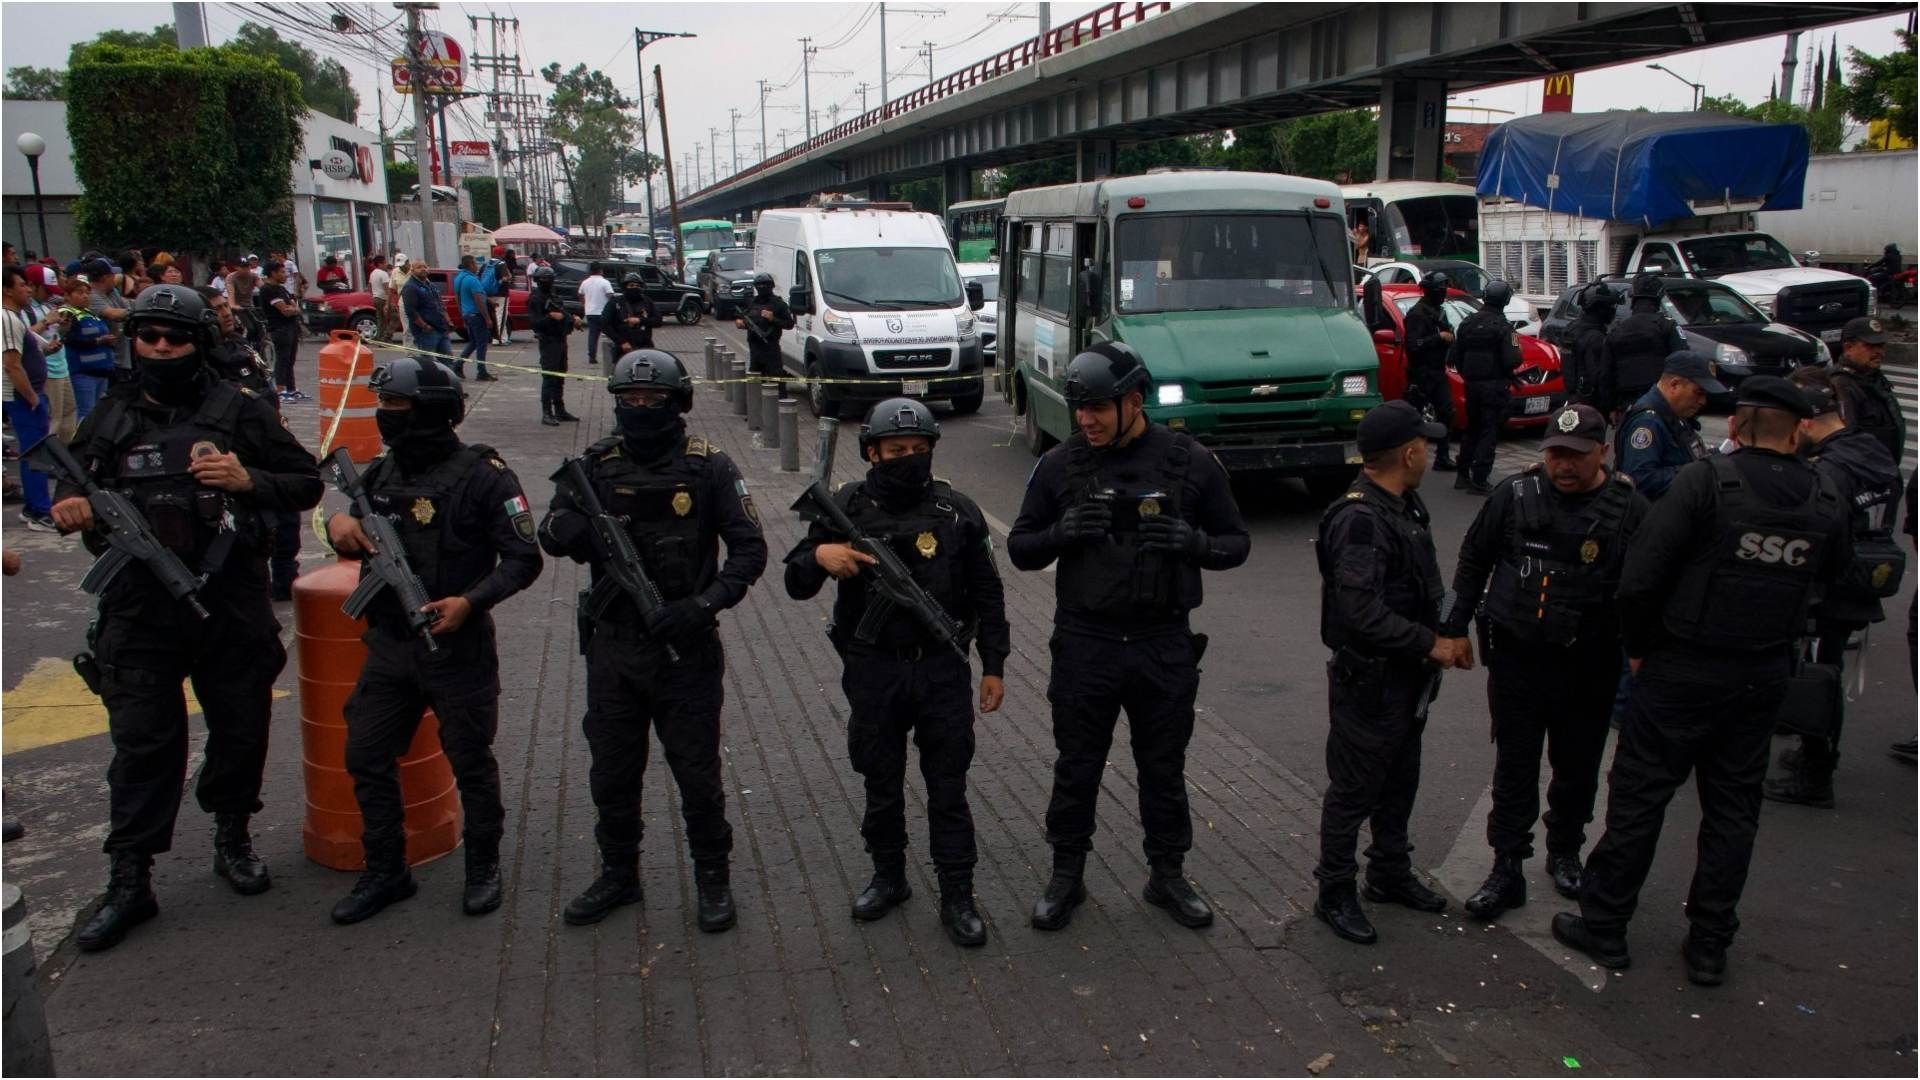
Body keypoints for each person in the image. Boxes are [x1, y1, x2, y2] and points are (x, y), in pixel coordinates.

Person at [49, 283, 323, 951]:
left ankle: (232, 835)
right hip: (139, 610)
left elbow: (306, 481)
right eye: (151, 337)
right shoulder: (111, 416)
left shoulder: (239, 412)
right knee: (142, 742)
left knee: (239, 725)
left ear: (200, 344)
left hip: (226, 600)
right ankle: (131, 876)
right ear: (134, 340)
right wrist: (71, 506)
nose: (163, 349)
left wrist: (247, 481)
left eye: (177, 338)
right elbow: (69, 479)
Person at [1555, 376, 1849, 987]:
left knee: (1639, 798)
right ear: (1796, 432)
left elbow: (1640, 579)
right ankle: (1710, 943)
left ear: (1737, 428)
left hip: (1682, 667)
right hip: (1762, 672)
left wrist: (1640, 651)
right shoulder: (1824, 495)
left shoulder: (1708, 482)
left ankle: (1605, 925)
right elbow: (1836, 581)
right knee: (1734, 810)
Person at [1007, 342, 1250, 931]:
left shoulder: (1190, 461)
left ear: (1134, 401)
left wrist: (1192, 543)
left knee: (1163, 766)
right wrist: (1061, 532)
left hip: (1160, 641)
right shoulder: (1061, 464)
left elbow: (1235, 544)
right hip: (1086, 642)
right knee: (1078, 764)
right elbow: (1019, 546)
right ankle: (1067, 876)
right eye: (1077, 409)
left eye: (1096, 409)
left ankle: (1166, 875)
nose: (1084, 421)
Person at [539, 349, 767, 933]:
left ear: (678, 404)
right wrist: (565, 532)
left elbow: (749, 551)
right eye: (630, 401)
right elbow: (551, 529)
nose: (641, 409)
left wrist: (703, 605)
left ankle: (712, 877)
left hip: (685, 650)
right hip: (615, 649)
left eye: (653, 401)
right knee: (612, 772)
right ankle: (620, 873)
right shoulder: (595, 467)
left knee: (696, 773)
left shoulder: (710, 468)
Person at [324, 357, 543, 925]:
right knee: (365, 755)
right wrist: (341, 532)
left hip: (456, 645)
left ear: (433, 411)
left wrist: (470, 601)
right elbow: (357, 537)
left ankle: (482, 867)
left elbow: (523, 558)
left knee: (470, 761)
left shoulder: (484, 474)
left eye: (398, 407)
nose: (387, 417)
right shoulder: (378, 475)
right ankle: (387, 869)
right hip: (392, 645)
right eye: (384, 407)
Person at [784, 399, 1009, 946]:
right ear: (872, 453)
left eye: (917, 450)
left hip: (940, 670)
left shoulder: (956, 511)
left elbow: (988, 592)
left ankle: (958, 892)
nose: (907, 459)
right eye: (895, 451)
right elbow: (795, 579)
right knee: (880, 780)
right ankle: (889, 878)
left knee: (947, 786)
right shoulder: (845, 508)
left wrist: (994, 666)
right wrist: (821, 557)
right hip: (875, 671)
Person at [1445, 404, 1649, 918]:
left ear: (1602, 452)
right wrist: (1454, 628)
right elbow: (1473, 561)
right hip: (1519, 658)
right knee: (1514, 764)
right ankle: (1506, 865)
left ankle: (1565, 851)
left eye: (1577, 455)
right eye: (1555, 453)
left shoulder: (1628, 508)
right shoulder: (1515, 496)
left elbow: (1647, 587)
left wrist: (1646, 650)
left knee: (1577, 765)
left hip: (1590, 663)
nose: (1564, 465)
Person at [1310, 400, 1471, 945]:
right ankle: (1334, 890)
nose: (1428, 451)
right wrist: (1433, 644)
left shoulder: (1403, 505)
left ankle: (1389, 872)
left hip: (1404, 679)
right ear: (1408, 452)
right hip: (1370, 681)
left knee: (1400, 780)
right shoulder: (1361, 518)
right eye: (1424, 443)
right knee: (1355, 789)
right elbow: (1361, 613)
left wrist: (1445, 638)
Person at [1763, 367, 1902, 808]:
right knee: (1826, 670)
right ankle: (1811, 752)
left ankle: (1816, 772)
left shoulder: (1832, 471)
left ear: (1805, 421)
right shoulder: (1871, 453)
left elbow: (1817, 533)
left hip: (1832, 587)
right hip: (1864, 576)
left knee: (1819, 675)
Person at [1615, 351, 1723, 501]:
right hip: (1655, 517)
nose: (1703, 401)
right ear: (1674, 385)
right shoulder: (1648, 422)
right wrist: (1698, 472)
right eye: (1698, 392)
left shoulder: (1674, 413)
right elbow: (1640, 479)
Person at [1448, 279, 1522, 495]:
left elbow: (1455, 355)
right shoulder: (1507, 328)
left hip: (1472, 386)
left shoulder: (1467, 323)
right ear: (1506, 300)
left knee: (1472, 428)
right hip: (1495, 386)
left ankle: (1463, 475)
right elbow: (1515, 358)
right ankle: (1480, 479)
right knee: (1489, 431)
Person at [3, 267, 54, 529]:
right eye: (22, 285)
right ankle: (39, 511)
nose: (28, 289)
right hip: (22, 398)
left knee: (35, 451)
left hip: (28, 395)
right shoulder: (7, 319)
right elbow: (11, 364)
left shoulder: (14, 317)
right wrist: (31, 396)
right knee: (35, 453)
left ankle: (34, 506)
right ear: (7, 289)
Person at [1597, 272, 1685, 419]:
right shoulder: (1667, 325)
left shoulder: (1617, 330)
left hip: (1628, 406)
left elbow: (1606, 374)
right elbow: (1682, 362)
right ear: (1658, 299)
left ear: (1633, 299)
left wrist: (1611, 407)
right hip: (1662, 402)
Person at [1827, 316, 1904, 466]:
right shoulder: (1841, 384)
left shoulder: (1873, 377)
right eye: (1871, 346)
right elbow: (1845, 442)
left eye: (1881, 346)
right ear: (1848, 348)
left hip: (1885, 470)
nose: (1880, 352)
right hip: (1864, 475)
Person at [1400, 272, 1458, 472]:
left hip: (1437, 371)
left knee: (1447, 412)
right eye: (1440, 290)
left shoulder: (1438, 311)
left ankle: (1442, 457)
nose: (1443, 294)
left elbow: (1449, 335)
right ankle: (1404, 457)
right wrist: (1438, 337)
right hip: (1421, 373)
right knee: (1411, 418)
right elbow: (1413, 346)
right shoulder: (1417, 314)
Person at [25, 264, 76, 444]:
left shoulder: (47, 306)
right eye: (46, 290)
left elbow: (54, 334)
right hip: (47, 371)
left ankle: (67, 457)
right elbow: (25, 335)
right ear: (33, 285)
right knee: (53, 420)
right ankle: (51, 462)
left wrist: (64, 326)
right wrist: (47, 321)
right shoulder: (25, 309)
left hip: (62, 367)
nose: (50, 294)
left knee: (69, 415)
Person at [529, 265, 580, 425]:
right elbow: (535, 323)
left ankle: (560, 409)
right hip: (548, 341)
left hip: (560, 339)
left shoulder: (553, 295)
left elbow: (562, 314)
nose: (548, 282)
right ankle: (547, 412)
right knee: (549, 377)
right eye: (544, 279)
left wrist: (571, 319)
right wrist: (551, 317)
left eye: (549, 279)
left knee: (560, 376)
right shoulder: (536, 299)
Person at [59, 277, 115, 421]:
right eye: (79, 292)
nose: (85, 296)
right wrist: (99, 340)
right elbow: (69, 339)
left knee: (99, 413)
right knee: (86, 413)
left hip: (101, 371)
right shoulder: (67, 313)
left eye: (87, 293)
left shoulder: (90, 313)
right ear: (67, 295)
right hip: (83, 372)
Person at [256, 260, 303, 403]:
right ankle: (280, 390)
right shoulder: (268, 289)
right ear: (273, 273)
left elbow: (293, 306)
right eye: (282, 272)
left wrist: (293, 309)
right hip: (280, 328)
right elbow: (285, 311)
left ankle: (291, 388)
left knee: (290, 359)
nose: (285, 275)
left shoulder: (281, 289)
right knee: (282, 359)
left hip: (291, 327)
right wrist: (293, 310)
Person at [1564, 282, 1617, 407]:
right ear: (1600, 308)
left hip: (1573, 396)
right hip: (1591, 401)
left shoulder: (1572, 329)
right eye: (1610, 306)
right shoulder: (1595, 337)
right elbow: (1599, 377)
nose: (1613, 310)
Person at [736, 272, 795, 382]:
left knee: (776, 381)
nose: (762, 287)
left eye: (765, 285)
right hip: (754, 348)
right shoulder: (752, 302)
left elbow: (789, 324)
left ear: (771, 286)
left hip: (771, 348)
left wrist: (773, 319)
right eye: (759, 285)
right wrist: (741, 323)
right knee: (755, 382)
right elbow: (743, 317)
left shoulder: (778, 304)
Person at [601, 273, 661, 364]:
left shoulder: (647, 301)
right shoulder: (615, 303)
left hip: (645, 347)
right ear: (625, 287)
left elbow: (658, 320)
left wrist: (640, 320)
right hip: (623, 349)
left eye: (637, 285)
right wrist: (622, 342)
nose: (634, 288)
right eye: (631, 285)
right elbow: (605, 324)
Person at [452, 257, 496, 381]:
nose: (477, 266)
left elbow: (458, 297)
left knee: (473, 342)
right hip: (476, 315)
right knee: (482, 344)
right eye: (475, 263)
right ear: (471, 264)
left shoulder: (459, 278)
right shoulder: (472, 280)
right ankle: (481, 371)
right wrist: (487, 318)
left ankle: (458, 364)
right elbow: (478, 299)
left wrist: (463, 313)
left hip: (467, 314)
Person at [403, 263, 452, 360]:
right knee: (428, 362)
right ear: (412, 271)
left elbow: (440, 304)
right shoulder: (410, 287)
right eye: (419, 267)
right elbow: (411, 311)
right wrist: (424, 326)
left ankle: (447, 375)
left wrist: (448, 321)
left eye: (425, 266)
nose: (423, 269)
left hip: (440, 328)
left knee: (448, 359)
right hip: (426, 331)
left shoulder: (431, 285)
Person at [579, 262, 614, 367]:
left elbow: (580, 294)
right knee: (610, 333)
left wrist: (585, 303)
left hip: (590, 312)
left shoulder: (585, 282)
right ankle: (611, 356)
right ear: (601, 270)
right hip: (603, 312)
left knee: (593, 336)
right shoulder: (605, 282)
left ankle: (592, 357)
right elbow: (610, 295)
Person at [488, 256, 513, 345]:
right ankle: (499, 339)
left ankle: (504, 337)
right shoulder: (501, 264)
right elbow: (506, 277)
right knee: (501, 316)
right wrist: (509, 277)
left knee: (495, 316)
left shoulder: (487, 264)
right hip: (501, 294)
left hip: (490, 293)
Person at [366, 257, 391, 343]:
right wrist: (388, 302)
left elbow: (369, 286)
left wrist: (373, 295)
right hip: (383, 299)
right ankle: (385, 337)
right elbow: (387, 289)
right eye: (384, 263)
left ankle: (379, 337)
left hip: (376, 298)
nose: (386, 265)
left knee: (380, 319)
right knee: (392, 318)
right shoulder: (383, 274)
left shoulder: (373, 273)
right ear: (380, 264)